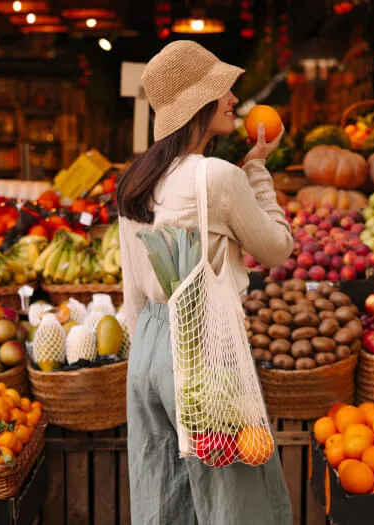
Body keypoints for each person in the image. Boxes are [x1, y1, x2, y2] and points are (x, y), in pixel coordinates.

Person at [117, 40, 294, 525]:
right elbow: (278, 248)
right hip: (201, 344)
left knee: (162, 496)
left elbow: (132, 284)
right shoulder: (216, 176)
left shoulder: (136, 179)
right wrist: (257, 168)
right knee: (234, 503)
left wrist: (147, 355)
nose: (235, 100)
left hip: (150, 348)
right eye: (223, 91)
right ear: (198, 105)